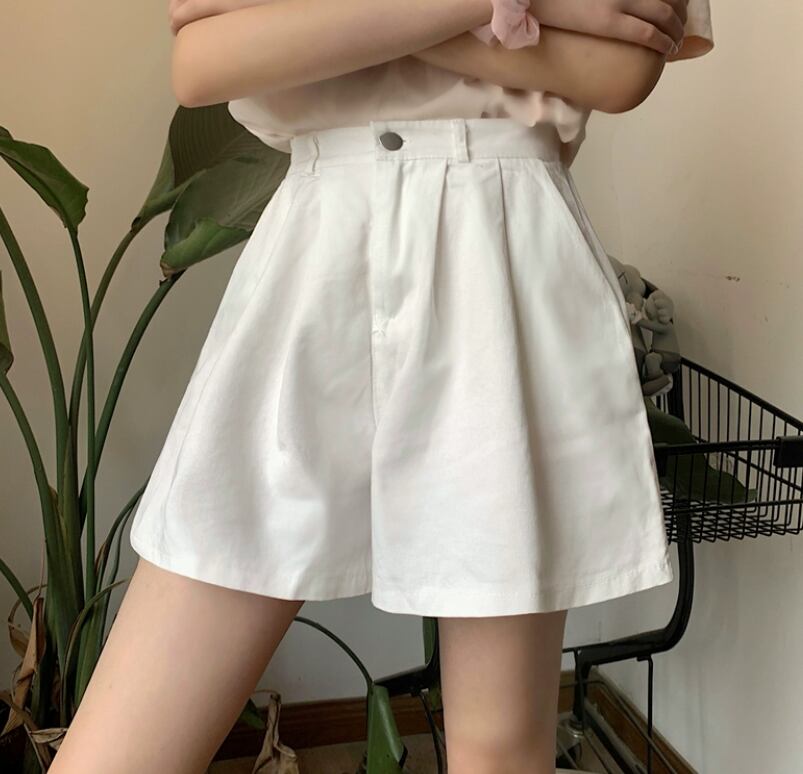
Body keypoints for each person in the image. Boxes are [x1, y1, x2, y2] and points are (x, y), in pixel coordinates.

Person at [50, 1, 713, 772]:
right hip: (316, 254)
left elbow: (618, 69)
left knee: (499, 751)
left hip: (499, 245)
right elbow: (205, 63)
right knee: (123, 751)